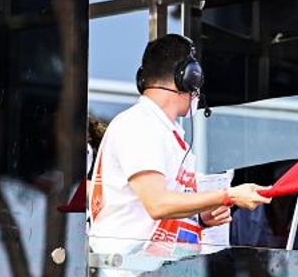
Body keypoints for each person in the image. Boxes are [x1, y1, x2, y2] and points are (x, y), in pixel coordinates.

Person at [88, 33, 269, 261]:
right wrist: (228, 195)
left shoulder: (164, 131)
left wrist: (199, 218)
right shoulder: (139, 125)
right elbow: (158, 203)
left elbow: (157, 210)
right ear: (189, 78)